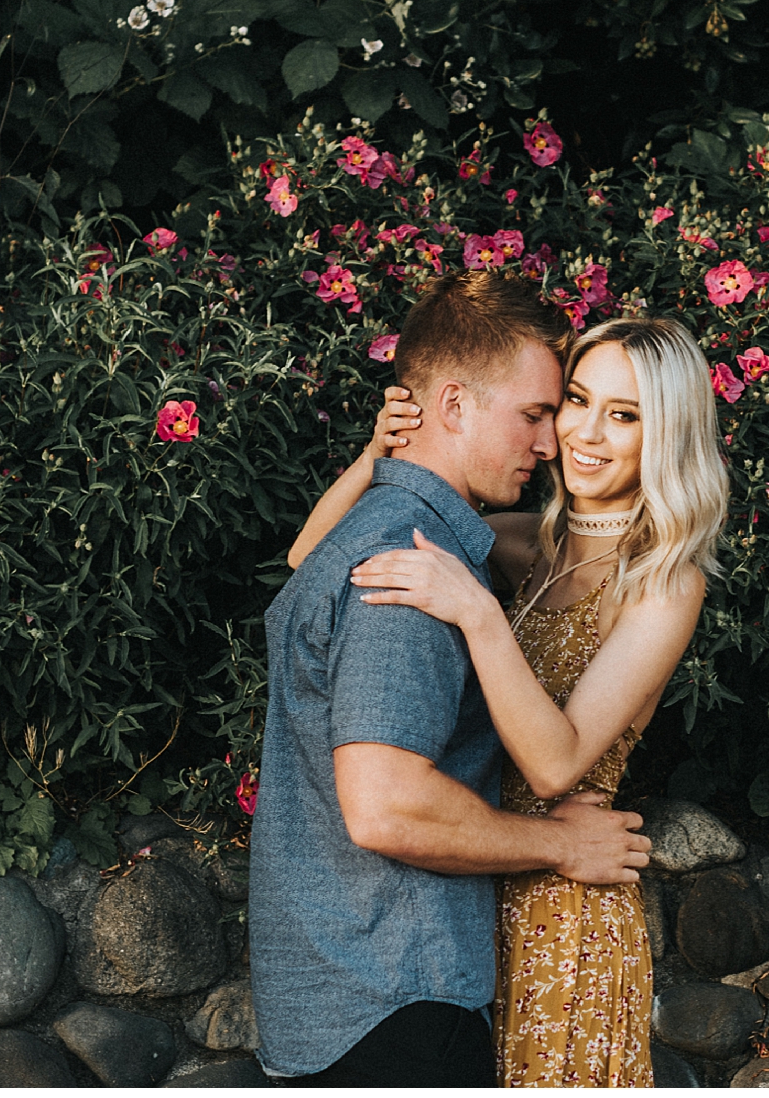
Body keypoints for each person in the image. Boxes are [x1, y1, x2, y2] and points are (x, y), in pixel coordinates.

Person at [249, 271, 655, 1087]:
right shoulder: (414, 567)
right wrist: (562, 842)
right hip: (393, 1001)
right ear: (456, 406)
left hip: (338, 998)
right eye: (536, 414)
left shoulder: (384, 534)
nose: (551, 445)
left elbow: (296, 562)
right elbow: (385, 806)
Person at [327, 314, 729, 1086]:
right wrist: (378, 457)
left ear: (665, 436)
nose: (585, 432)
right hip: (480, 889)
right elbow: (316, 554)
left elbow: (555, 762)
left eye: (625, 415)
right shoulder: (525, 546)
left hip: (567, 911)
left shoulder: (664, 580)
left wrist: (479, 613)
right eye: (577, 400)